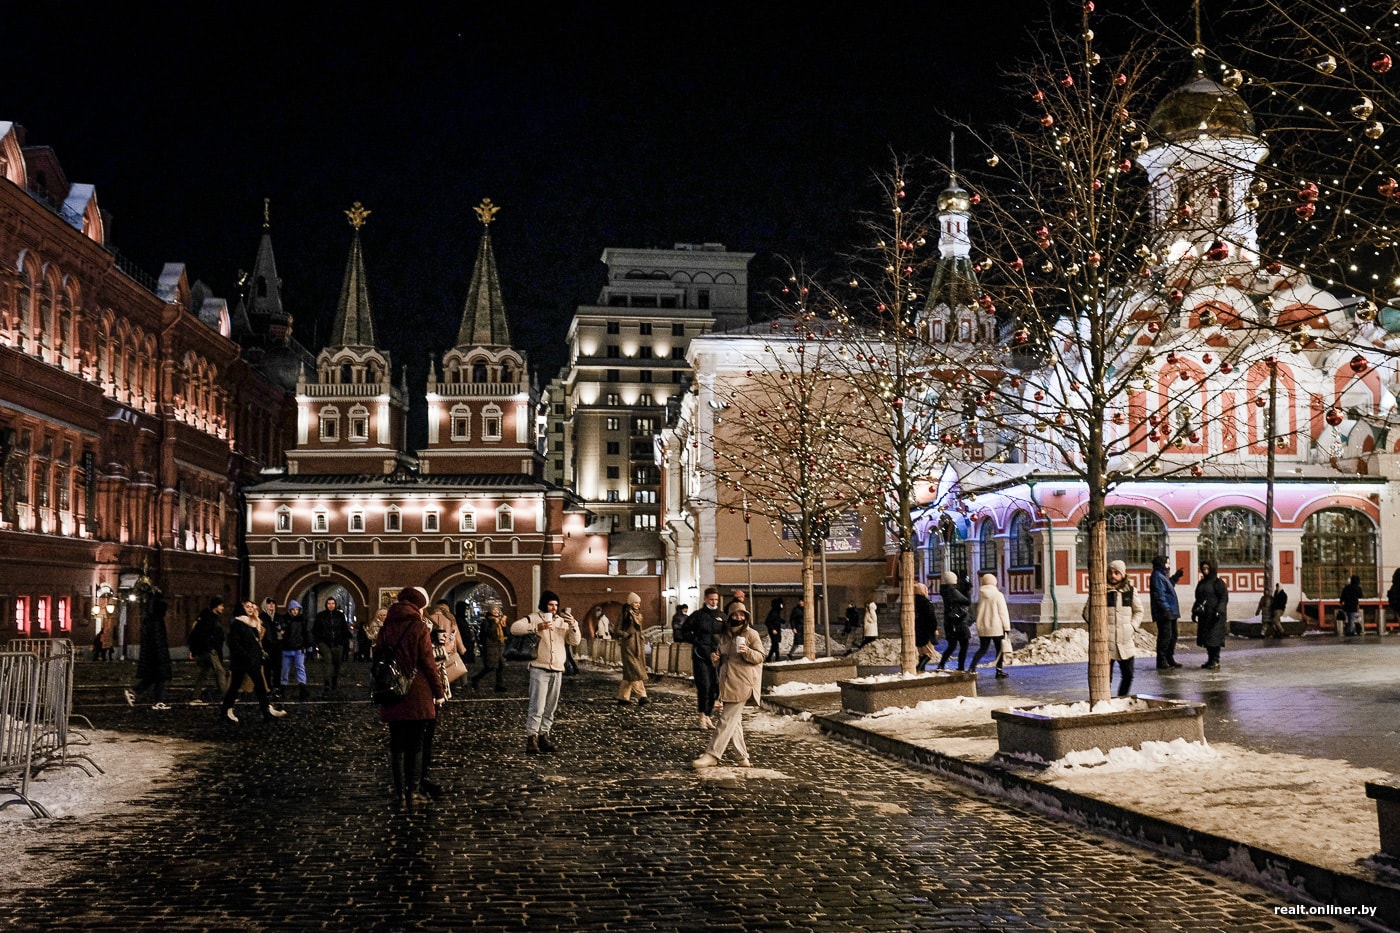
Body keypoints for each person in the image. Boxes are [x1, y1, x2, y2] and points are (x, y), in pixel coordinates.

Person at [376, 586, 444, 806]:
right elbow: (428, 662)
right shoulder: (418, 627)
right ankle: (412, 792)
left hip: (392, 690)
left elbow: (377, 656)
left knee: (396, 744)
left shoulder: (386, 626)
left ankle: (398, 793)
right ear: (418, 606)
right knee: (415, 744)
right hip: (417, 691)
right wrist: (438, 691)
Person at [691, 602, 764, 769]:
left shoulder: (751, 634)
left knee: (726, 720)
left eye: (742, 614)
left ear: (746, 617)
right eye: (735, 614)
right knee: (734, 721)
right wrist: (716, 660)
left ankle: (712, 754)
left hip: (744, 682)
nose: (739, 617)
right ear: (729, 616)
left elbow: (760, 657)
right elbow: (724, 658)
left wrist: (747, 651)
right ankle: (742, 757)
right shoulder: (724, 635)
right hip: (727, 681)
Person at [512, 591, 580, 754]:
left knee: (550, 706)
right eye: (551, 604)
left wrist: (574, 625)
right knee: (537, 706)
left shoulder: (562, 622)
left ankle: (544, 735)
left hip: (557, 669)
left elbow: (574, 641)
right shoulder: (534, 617)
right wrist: (536, 627)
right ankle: (532, 737)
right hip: (539, 668)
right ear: (544, 604)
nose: (554, 608)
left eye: (556, 605)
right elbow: (515, 628)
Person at [220, 600, 287, 723]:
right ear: (242, 608)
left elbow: (258, 640)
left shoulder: (253, 622)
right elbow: (234, 643)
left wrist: (257, 621)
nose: (250, 609)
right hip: (241, 662)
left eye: (252, 607)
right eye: (247, 607)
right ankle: (226, 710)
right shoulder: (237, 623)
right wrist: (245, 655)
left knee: (260, 686)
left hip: (253, 661)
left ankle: (266, 711)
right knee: (234, 687)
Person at [1097, 560, 1143, 697]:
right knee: (1105, 678)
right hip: (1107, 642)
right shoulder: (1101, 591)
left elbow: (1139, 611)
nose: (1113, 575)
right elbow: (1088, 613)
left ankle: (1122, 698)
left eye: (1117, 573)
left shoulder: (1130, 591)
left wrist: (1132, 626)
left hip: (1125, 641)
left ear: (1123, 575)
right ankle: (1105, 701)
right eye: (1110, 572)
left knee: (1128, 675)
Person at [125, 587, 173, 710]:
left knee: (152, 677)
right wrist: (160, 653)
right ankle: (158, 700)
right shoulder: (156, 621)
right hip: (157, 653)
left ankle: (135, 692)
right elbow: (158, 638)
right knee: (160, 676)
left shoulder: (149, 618)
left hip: (152, 653)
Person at [686, 587, 727, 728]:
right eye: (711, 599)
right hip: (701, 656)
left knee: (715, 688)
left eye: (716, 599)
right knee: (704, 686)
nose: (714, 602)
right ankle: (702, 715)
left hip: (717, 657)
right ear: (705, 599)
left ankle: (708, 714)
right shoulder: (698, 615)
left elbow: (728, 635)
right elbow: (683, 630)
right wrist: (696, 642)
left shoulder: (722, 616)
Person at [967, 573, 1010, 678]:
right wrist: (1006, 627)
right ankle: (999, 671)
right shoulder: (998, 595)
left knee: (982, 648)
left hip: (984, 626)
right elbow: (1003, 612)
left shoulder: (981, 594)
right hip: (997, 627)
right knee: (999, 649)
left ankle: (972, 667)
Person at [188, 596, 229, 705]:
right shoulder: (210, 618)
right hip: (210, 650)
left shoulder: (208, 617)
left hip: (207, 649)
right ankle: (226, 697)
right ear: (215, 606)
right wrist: (210, 647)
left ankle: (195, 695)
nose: (223, 608)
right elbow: (204, 634)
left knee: (204, 672)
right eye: (221, 605)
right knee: (220, 671)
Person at [425, 600, 468, 695]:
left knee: (436, 669)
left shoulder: (430, 618)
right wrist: (462, 649)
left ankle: (438, 688)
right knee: (449, 668)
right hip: (449, 647)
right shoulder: (450, 618)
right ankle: (451, 687)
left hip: (435, 648)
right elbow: (456, 635)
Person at [1193, 560, 1229, 670]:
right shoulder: (1202, 583)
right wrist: (1194, 611)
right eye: (1203, 569)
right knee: (1207, 639)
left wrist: (1220, 610)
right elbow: (1198, 599)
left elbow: (1224, 598)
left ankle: (1215, 659)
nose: (1205, 571)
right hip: (1205, 616)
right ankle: (1210, 659)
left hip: (1216, 616)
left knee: (1215, 638)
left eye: (1207, 569)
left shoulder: (1218, 583)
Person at [615, 592, 650, 706]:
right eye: (635, 602)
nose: (638, 605)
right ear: (630, 603)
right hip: (628, 645)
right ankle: (642, 696)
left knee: (630, 672)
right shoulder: (625, 614)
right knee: (635, 670)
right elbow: (617, 629)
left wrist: (641, 636)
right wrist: (627, 635)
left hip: (637, 645)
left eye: (639, 603)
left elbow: (639, 629)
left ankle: (623, 696)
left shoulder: (638, 614)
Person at [315, 596, 353, 694]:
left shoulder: (340, 615)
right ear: (326, 604)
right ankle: (327, 683)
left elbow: (344, 629)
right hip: (325, 642)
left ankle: (334, 682)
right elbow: (315, 629)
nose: (331, 605)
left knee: (336, 663)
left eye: (332, 603)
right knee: (328, 660)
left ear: (335, 604)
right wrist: (318, 641)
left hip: (338, 643)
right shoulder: (321, 616)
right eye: (329, 603)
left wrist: (345, 643)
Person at [1149, 555, 1182, 669]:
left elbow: (1168, 587)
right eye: (1167, 563)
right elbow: (1160, 595)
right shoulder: (1157, 576)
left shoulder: (1161, 575)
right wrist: (1166, 609)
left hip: (1170, 611)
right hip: (1165, 612)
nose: (1168, 565)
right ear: (1161, 564)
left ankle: (1169, 658)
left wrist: (1175, 577)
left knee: (1173, 635)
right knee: (1165, 636)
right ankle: (1162, 660)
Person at [936, 570, 972, 672]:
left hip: (950, 622)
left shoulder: (945, 590)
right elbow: (967, 601)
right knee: (964, 644)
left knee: (952, 645)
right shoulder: (951, 590)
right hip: (958, 622)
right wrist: (967, 590)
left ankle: (941, 664)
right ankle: (960, 666)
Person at [280, 599, 312, 701]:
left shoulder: (290, 620)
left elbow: (306, 633)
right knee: (288, 669)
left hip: (296, 648)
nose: (295, 611)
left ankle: (299, 687)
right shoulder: (300, 620)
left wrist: (308, 644)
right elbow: (306, 633)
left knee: (297, 668)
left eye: (296, 609)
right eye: (293, 609)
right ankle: (286, 687)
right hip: (291, 648)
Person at [471, 603, 507, 693]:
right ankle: (475, 678)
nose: (496, 611)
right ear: (490, 611)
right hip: (490, 647)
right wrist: (495, 624)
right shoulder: (486, 621)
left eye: (497, 609)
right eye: (494, 609)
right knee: (490, 667)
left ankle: (499, 685)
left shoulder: (500, 621)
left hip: (499, 646)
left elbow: (506, 632)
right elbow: (489, 633)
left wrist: (504, 625)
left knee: (501, 666)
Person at [260, 597, 283, 700]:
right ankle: (267, 687)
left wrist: (282, 632)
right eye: (269, 603)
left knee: (277, 668)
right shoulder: (262, 617)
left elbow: (282, 628)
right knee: (267, 669)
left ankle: (277, 687)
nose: (271, 605)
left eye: (273, 603)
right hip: (267, 646)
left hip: (277, 646)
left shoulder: (278, 617)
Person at [913, 582, 938, 672]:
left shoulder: (913, 603)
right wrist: (934, 629)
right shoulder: (926, 603)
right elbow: (931, 618)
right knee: (929, 653)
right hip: (927, 632)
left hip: (918, 631)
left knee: (921, 653)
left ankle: (921, 670)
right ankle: (919, 668)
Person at [763, 597, 785, 662]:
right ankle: (777, 657)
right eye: (781, 605)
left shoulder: (776, 612)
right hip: (774, 630)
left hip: (776, 630)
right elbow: (767, 622)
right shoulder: (773, 613)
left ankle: (769, 658)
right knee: (775, 644)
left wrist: (782, 621)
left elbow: (777, 619)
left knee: (774, 644)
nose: (782, 606)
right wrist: (772, 629)